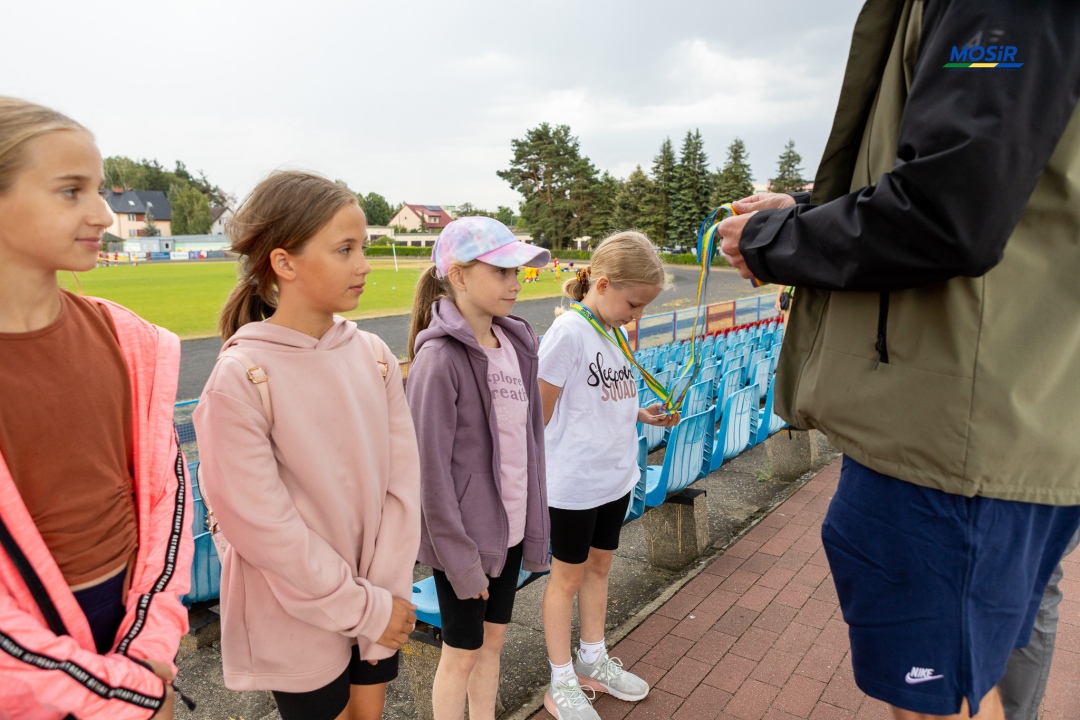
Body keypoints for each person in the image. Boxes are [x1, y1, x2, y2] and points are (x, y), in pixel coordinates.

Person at [717, 3, 1080, 718]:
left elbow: (951, 212)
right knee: (997, 635)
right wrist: (804, 208)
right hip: (991, 409)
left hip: (950, 431)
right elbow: (983, 175)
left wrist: (775, 238)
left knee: (924, 698)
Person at [192, 171, 420, 720]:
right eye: (344, 249)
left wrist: (384, 597)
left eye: (362, 246)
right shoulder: (241, 376)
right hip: (300, 616)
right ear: (284, 263)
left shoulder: (373, 355)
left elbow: (402, 487)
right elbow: (265, 529)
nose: (363, 264)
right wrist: (362, 606)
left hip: (379, 598)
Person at [0, 97, 193, 719]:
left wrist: (146, 650)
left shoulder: (128, 340)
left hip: (136, 629)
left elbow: (167, 498)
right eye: (71, 191)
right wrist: (127, 695)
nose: (106, 214)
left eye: (100, 189)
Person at [405, 217, 551, 720]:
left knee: (492, 647)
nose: (515, 283)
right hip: (464, 545)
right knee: (460, 655)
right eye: (502, 270)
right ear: (460, 276)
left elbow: (530, 445)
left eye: (519, 272)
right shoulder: (438, 360)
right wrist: (460, 560)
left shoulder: (517, 347)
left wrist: (533, 530)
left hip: (508, 534)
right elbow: (428, 477)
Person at [538, 232, 680, 720]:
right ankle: (560, 683)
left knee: (599, 568)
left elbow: (600, 399)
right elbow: (538, 418)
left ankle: (592, 659)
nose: (636, 315)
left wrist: (643, 414)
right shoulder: (567, 333)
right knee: (566, 579)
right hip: (573, 485)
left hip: (614, 477)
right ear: (601, 284)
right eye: (633, 303)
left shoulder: (611, 331)